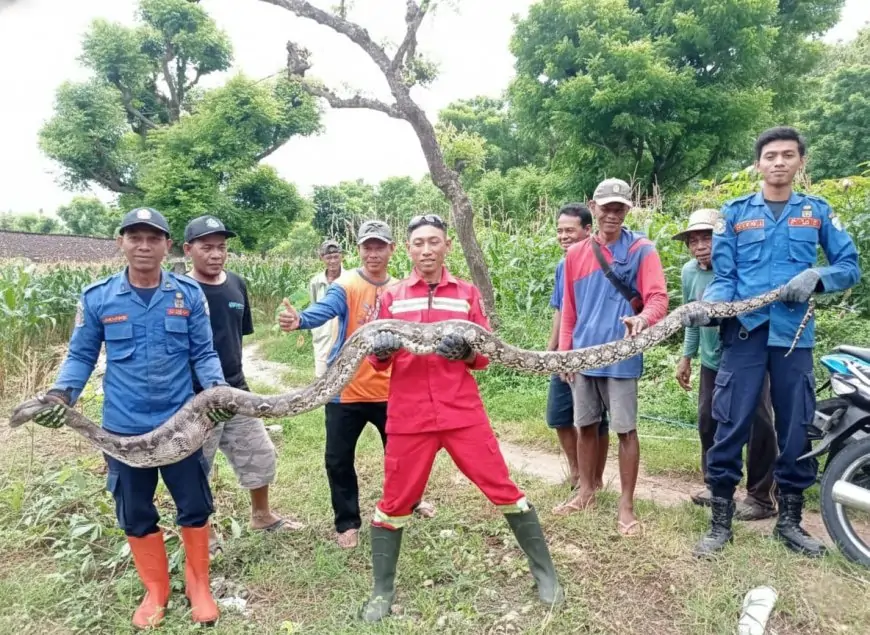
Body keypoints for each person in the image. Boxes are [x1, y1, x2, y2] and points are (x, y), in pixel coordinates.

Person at [361, 214, 562, 622]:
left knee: (502, 488)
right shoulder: (392, 297)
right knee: (395, 501)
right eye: (419, 243)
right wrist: (380, 349)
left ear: (447, 246)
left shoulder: (466, 294)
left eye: (434, 241)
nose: (426, 250)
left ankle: (546, 575)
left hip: (461, 412)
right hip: (409, 416)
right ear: (408, 249)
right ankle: (382, 590)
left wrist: (468, 352)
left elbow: (485, 356)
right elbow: (376, 361)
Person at [33, 208, 228, 628]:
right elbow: (81, 355)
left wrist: (217, 391)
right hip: (122, 429)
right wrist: (60, 395)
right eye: (135, 237)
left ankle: (199, 586)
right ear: (120, 241)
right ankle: (156, 590)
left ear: (167, 246)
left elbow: (203, 353)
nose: (144, 246)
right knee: (135, 510)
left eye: (153, 238)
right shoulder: (98, 297)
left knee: (194, 504)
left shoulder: (188, 295)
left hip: (180, 426)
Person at [685, 127, 860, 557]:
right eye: (770, 156)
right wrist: (711, 306)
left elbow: (849, 265)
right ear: (758, 164)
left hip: (793, 338)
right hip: (743, 333)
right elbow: (725, 277)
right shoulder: (735, 213)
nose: (778, 162)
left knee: (795, 427)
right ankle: (720, 522)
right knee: (730, 424)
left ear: (800, 162)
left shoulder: (816, 212)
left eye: (787, 155)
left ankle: (790, 522)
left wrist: (817, 276)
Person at [278, 220, 435, 548]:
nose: (373, 254)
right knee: (338, 459)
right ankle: (347, 522)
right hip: (346, 389)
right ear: (359, 250)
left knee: (404, 454)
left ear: (392, 249)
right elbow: (324, 310)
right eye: (367, 247)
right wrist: (300, 319)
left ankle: (411, 501)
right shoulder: (346, 284)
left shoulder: (401, 289)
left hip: (391, 389)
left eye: (380, 247)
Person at [182, 215, 304, 558]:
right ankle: (202, 533)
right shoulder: (179, 290)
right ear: (188, 250)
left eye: (221, 247)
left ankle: (262, 516)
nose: (216, 254)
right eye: (207, 247)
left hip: (237, 389)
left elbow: (237, 335)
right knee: (197, 468)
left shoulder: (236, 283)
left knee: (259, 453)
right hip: (194, 396)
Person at [557, 178, 669, 536]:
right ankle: (586, 492)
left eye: (619, 208)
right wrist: (566, 355)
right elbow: (570, 310)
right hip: (584, 355)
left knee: (625, 430)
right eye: (606, 207)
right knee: (585, 425)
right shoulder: (575, 254)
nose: (612, 214)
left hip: (622, 355)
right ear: (594, 207)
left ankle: (626, 505)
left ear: (627, 210)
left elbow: (658, 298)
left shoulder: (641, 250)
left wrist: (642, 319)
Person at [673, 209, 778, 521]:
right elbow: (691, 318)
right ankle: (716, 485)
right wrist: (686, 356)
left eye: (707, 238)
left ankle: (761, 496)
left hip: (749, 359)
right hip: (712, 360)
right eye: (693, 241)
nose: (700, 246)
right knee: (708, 420)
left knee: (759, 424)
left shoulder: (741, 270)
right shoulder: (690, 273)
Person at [546, 203, 610, 498]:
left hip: (594, 351)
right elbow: (560, 309)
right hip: (566, 351)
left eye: (569, 230)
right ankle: (576, 472)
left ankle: (594, 479)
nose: (563, 236)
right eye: (559, 231)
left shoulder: (601, 259)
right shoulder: (563, 265)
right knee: (559, 415)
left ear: (587, 230)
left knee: (595, 419)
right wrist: (552, 349)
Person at [309, 239, 344, 378]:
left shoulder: (350, 279)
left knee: (343, 378)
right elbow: (314, 307)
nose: (333, 261)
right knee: (322, 378)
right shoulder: (316, 282)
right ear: (321, 258)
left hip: (343, 337)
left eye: (336, 256)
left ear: (341, 256)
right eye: (328, 257)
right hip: (322, 337)